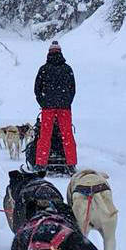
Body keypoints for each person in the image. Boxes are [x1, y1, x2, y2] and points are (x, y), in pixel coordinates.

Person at [32, 41, 76, 170]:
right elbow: (72, 89)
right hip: (64, 107)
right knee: (67, 135)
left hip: (48, 107)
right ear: (60, 53)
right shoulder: (67, 69)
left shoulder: (44, 69)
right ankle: (71, 163)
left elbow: (37, 89)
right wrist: (67, 102)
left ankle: (41, 163)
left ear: (49, 53)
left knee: (44, 135)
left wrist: (43, 102)